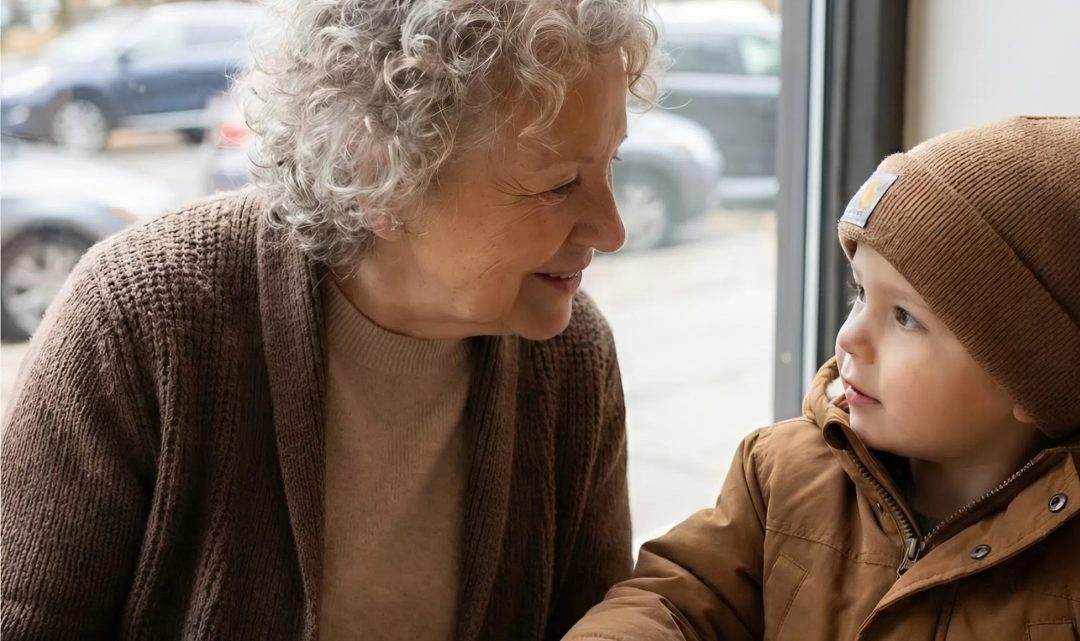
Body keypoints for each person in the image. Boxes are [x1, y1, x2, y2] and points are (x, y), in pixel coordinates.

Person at [0, 1, 661, 638]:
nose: (612, 229)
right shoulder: (141, 317)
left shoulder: (573, 357)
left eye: (611, 163)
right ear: (380, 171)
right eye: (556, 183)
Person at [563, 116, 1080, 640]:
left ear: (1031, 378)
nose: (848, 339)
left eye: (905, 317)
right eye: (860, 292)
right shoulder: (780, 474)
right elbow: (677, 600)